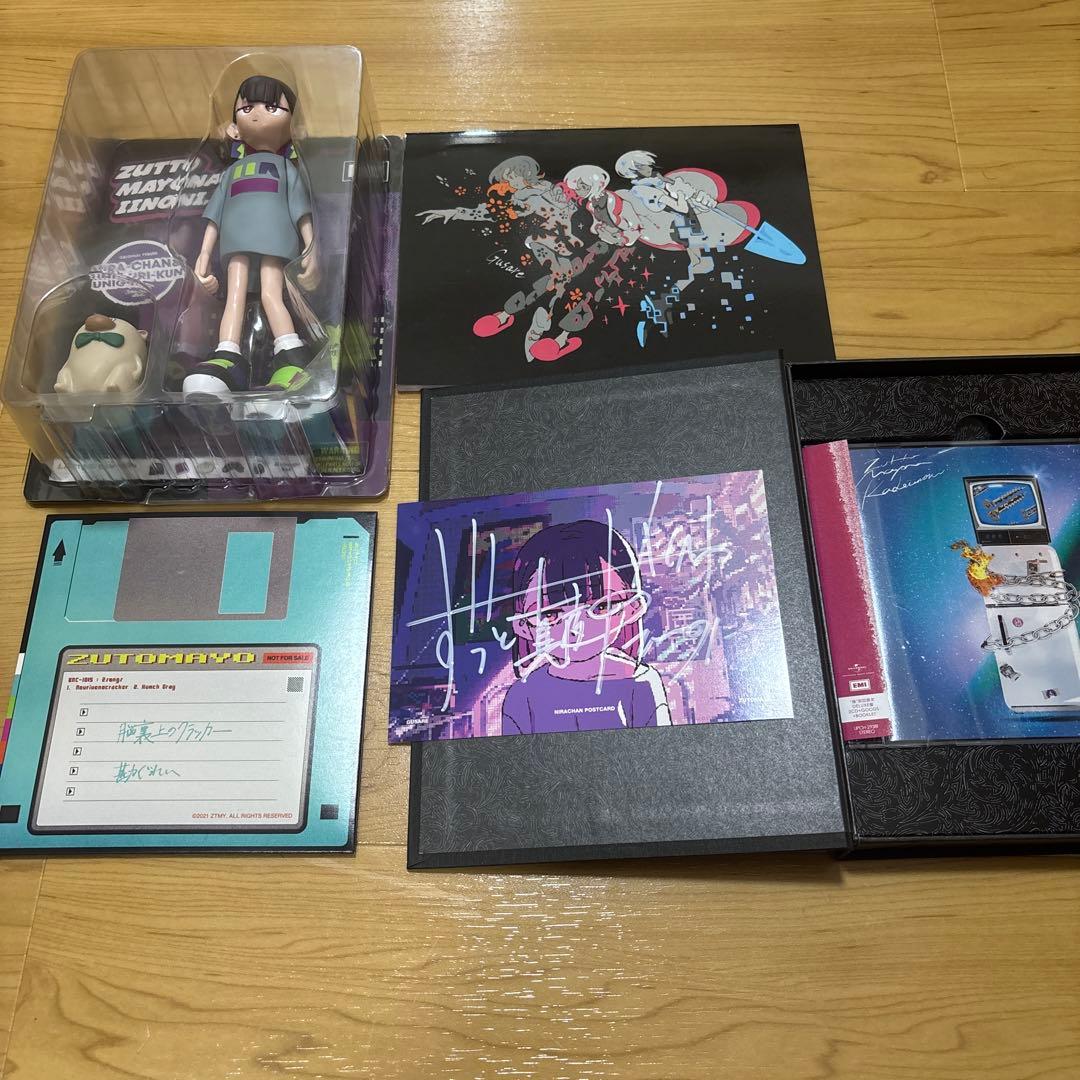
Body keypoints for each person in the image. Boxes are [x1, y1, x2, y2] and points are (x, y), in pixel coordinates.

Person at [183, 74, 317, 396]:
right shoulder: (230, 172)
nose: (257, 114)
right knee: (235, 296)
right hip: (235, 243)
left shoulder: (287, 169)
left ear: (294, 126)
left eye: (271, 107)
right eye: (247, 108)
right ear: (233, 128)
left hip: (276, 242)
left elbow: (301, 211)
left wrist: (312, 248)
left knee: (271, 294)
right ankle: (227, 355)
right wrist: (203, 255)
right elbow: (215, 216)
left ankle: (291, 353)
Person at [502, 519, 671, 734]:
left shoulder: (642, 684)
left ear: (632, 608)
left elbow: (659, 749)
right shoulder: (522, 695)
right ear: (523, 626)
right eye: (550, 614)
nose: (576, 628)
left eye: (601, 607)